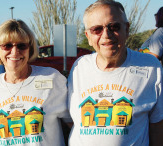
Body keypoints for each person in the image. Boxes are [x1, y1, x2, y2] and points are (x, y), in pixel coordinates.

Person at [67, 0, 163, 146]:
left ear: (127, 29)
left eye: (114, 26)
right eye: (97, 29)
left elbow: (157, 125)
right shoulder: (79, 67)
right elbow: (71, 120)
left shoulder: (150, 67)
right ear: (88, 36)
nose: (106, 35)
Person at [0, 19, 69, 146]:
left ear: (29, 49)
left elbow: (74, 123)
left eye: (21, 45)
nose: (15, 52)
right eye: (7, 45)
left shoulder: (51, 78)